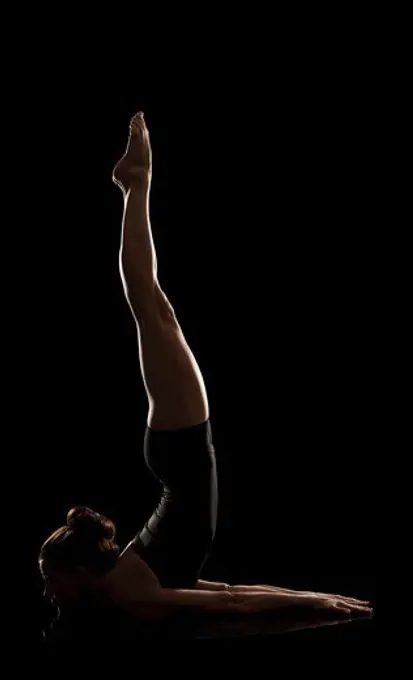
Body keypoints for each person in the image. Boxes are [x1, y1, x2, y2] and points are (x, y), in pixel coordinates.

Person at [39, 112, 372, 626]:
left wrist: (312, 603)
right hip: (178, 454)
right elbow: (231, 592)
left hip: (181, 452)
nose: (48, 590)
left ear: (79, 569)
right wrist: (315, 597)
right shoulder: (130, 587)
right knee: (155, 310)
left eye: (50, 577)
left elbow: (231, 604)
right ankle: (134, 183)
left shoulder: (130, 593)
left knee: (150, 308)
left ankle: (135, 184)